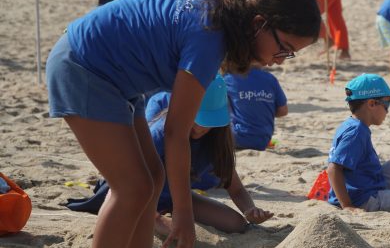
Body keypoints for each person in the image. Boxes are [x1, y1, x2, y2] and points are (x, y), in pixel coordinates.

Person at [45, 0, 321, 248]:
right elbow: (176, 133)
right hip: (84, 67)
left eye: (290, 55)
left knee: (152, 179)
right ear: (258, 24)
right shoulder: (211, 37)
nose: (281, 61)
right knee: (131, 188)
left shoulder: (219, 23)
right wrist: (185, 217)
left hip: (118, 79)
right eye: (284, 48)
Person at [70, 78, 275, 234]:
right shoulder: (159, 133)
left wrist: (250, 210)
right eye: (198, 118)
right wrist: (158, 220)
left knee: (236, 224)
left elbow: (235, 187)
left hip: (174, 197)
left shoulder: (217, 139)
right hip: (134, 194)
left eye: (209, 121)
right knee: (165, 227)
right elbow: (127, 181)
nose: (202, 127)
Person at [326, 74, 390, 212]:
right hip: (362, 198)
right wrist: (347, 206)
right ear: (371, 104)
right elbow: (333, 169)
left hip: (370, 181)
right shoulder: (356, 131)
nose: (387, 111)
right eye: (387, 104)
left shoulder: (353, 125)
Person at [224, 68, 288, 150]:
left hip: (237, 137)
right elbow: (283, 111)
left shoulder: (228, 78)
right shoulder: (270, 78)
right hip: (263, 140)